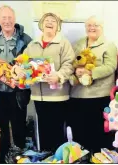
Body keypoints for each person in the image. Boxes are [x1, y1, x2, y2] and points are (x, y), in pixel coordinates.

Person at [14, 13, 75, 151]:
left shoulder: (64, 43)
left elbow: (69, 64)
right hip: (38, 96)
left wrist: (59, 75)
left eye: (53, 20)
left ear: (58, 26)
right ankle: (47, 158)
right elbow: (24, 63)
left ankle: (58, 159)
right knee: (43, 132)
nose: (49, 22)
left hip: (58, 96)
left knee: (58, 132)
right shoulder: (32, 44)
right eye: (46, 20)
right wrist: (19, 69)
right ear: (41, 25)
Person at [0, 5, 32, 163]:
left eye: (10, 18)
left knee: (19, 127)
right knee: (0, 128)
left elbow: (33, 66)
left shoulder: (26, 40)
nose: (7, 21)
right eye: (4, 18)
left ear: (15, 19)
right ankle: (1, 158)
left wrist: (23, 76)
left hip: (18, 93)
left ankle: (19, 159)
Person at [68, 15, 118, 153]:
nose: (92, 28)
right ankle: (81, 158)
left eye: (96, 25)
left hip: (99, 96)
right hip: (77, 95)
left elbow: (110, 66)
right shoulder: (77, 44)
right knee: (79, 133)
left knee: (98, 134)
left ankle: (98, 158)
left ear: (102, 28)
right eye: (89, 25)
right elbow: (70, 63)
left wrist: (90, 72)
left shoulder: (109, 45)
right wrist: (75, 72)